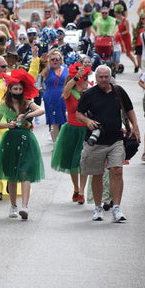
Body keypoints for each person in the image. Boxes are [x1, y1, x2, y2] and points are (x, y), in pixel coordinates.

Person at [76, 65, 140, 222]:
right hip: (96, 142)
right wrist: (88, 121)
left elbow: (130, 110)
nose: (104, 80)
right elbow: (78, 113)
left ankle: (116, 208)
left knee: (117, 170)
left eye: (106, 77)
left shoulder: (118, 91)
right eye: (100, 77)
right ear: (96, 78)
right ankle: (98, 208)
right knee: (97, 174)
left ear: (110, 77)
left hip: (116, 139)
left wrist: (135, 127)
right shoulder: (89, 94)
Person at [0, 69, 45, 220]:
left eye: (20, 89)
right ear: (10, 89)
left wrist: (26, 114)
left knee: (25, 172)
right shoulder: (4, 105)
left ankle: (25, 207)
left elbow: (41, 111)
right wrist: (8, 125)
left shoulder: (27, 102)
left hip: (27, 139)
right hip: (10, 141)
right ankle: (13, 206)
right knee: (12, 175)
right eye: (15, 89)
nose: (18, 91)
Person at [51, 63, 90, 204]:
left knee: (84, 162)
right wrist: (75, 77)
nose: (87, 81)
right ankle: (76, 188)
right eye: (85, 79)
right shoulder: (70, 93)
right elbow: (66, 89)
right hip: (72, 130)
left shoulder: (88, 94)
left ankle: (82, 191)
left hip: (85, 130)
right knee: (74, 162)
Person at [41, 49, 68, 144]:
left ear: (61, 59)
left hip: (65, 98)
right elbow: (38, 67)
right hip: (51, 99)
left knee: (65, 121)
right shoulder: (46, 69)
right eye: (52, 59)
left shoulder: (66, 69)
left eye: (57, 58)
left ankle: (64, 143)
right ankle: (56, 144)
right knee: (54, 122)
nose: (55, 61)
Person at [114, 5, 138, 72]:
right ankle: (116, 66)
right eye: (116, 13)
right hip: (119, 38)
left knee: (128, 53)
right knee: (117, 52)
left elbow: (127, 30)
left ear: (120, 13)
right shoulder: (116, 21)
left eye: (117, 13)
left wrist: (120, 34)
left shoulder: (125, 20)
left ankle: (136, 65)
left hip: (125, 37)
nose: (116, 15)